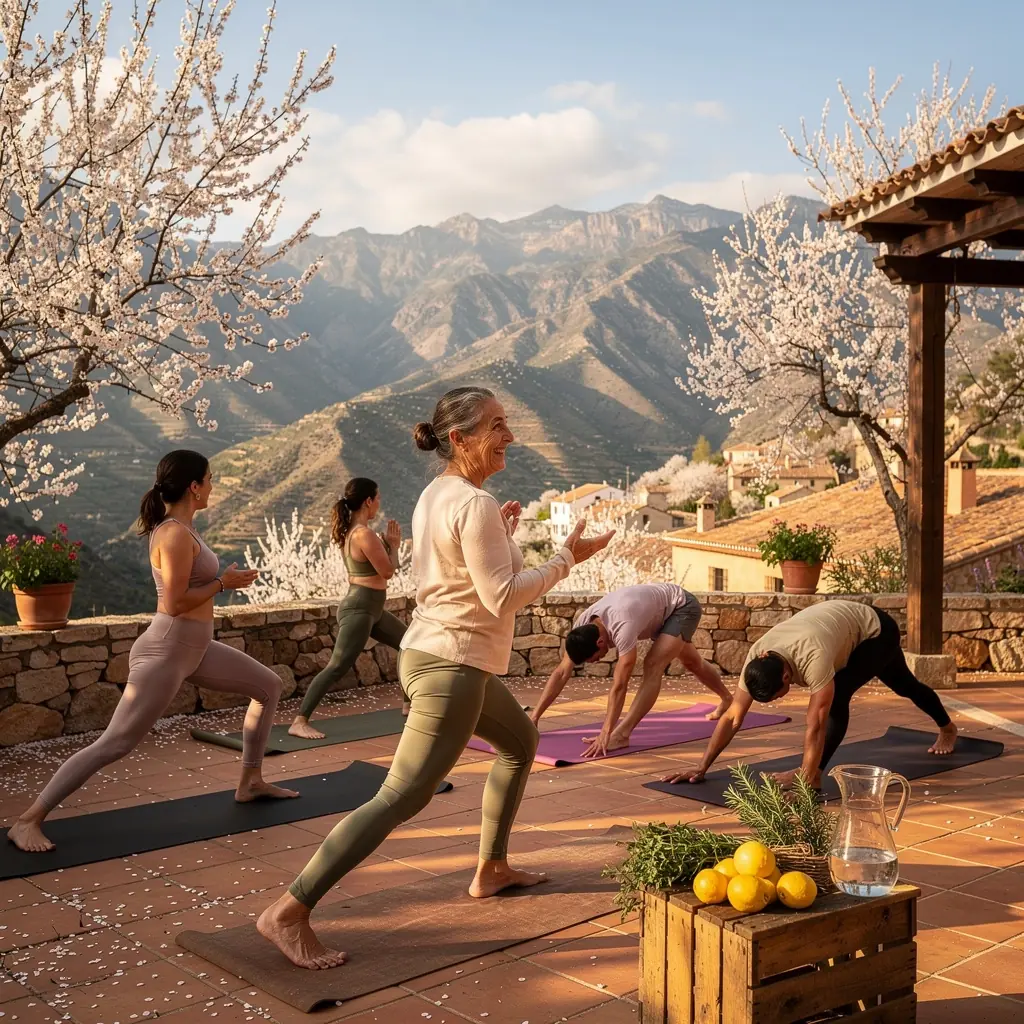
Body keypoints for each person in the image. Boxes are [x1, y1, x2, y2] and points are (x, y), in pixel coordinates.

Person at [256, 386, 614, 969]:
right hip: (451, 664)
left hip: (446, 656)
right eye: (497, 425)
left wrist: (503, 537)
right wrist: (567, 558)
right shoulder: (473, 504)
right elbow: (501, 597)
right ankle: (288, 911)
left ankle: (491, 867)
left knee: (520, 742)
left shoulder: (440, 495)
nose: (511, 436)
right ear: (459, 438)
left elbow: (463, 573)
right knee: (401, 795)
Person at [9, 450, 296, 854]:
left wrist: (222, 579)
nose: (213, 485)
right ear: (194, 487)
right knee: (115, 743)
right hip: (166, 651)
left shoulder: (186, 528)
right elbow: (174, 603)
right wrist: (223, 584)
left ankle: (250, 781)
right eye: (210, 479)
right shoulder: (174, 534)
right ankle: (27, 820)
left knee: (268, 686)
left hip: (194, 647)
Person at [663, 599, 958, 790]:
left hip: (876, 633)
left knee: (840, 695)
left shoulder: (813, 659)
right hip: (843, 627)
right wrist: (702, 766)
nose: (779, 700)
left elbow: (816, 725)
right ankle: (947, 726)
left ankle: (814, 776)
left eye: (777, 696)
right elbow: (732, 717)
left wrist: (805, 775)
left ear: (787, 676)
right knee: (906, 685)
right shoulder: (758, 657)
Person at [531, 584, 733, 758]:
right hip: (658, 610)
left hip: (681, 606)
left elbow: (620, 686)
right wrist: (534, 718)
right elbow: (561, 672)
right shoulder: (582, 628)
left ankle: (622, 735)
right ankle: (727, 699)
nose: (594, 662)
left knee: (653, 665)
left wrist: (606, 732)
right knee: (693, 662)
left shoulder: (622, 627)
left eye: (593, 658)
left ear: (600, 642)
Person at [289, 479, 409, 739]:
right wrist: (394, 546)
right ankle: (299, 721)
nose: (379, 504)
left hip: (372, 608)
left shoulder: (356, 532)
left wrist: (389, 546)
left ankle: (408, 703)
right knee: (337, 666)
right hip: (359, 608)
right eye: (378, 498)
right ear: (368, 501)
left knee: (408, 644)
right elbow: (388, 571)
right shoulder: (363, 534)